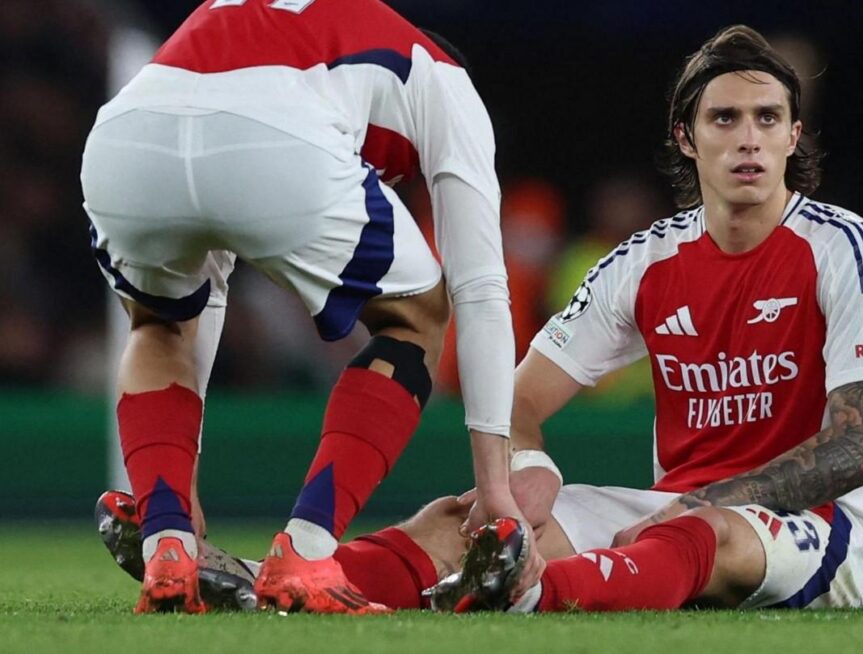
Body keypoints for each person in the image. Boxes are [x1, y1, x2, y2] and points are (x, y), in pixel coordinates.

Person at [96, 23, 863, 615]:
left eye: (767, 118)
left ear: (795, 136)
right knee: (468, 521)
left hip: (817, 527)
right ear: (686, 139)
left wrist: (706, 503)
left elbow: (861, 447)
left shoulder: (848, 248)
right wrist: (530, 472)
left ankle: (522, 594)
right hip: (673, 510)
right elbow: (516, 402)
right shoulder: (644, 262)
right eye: (724, 119)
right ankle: (262, 583)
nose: (748, 139)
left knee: (708, 538)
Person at [82, 0, 542, 614]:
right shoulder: (445, 80)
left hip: (125, 135)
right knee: (416, 314)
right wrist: (495, 489)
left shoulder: (287, 31)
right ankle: (306, 550)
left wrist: (180, 490)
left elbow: (208, 281)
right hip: (274, 137)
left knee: (161, 323)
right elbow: (480, 289)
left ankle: (167, 543)